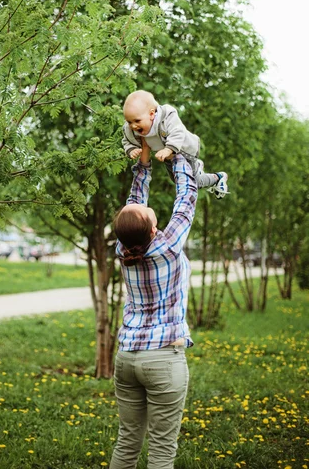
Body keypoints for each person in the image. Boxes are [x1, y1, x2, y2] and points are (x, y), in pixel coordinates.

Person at [109, 139, 196, 469]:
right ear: (152, 227)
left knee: (128, 439)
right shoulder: (168, 245)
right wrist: (178, 159)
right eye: (146, 212)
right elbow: (186, 200)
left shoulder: (122, 247)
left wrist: (143, 165)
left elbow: (133, 206)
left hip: (127, 357)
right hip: (163, 359)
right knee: (162, 447)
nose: (144, 207)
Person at [122, 89, 228, 198]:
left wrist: (168, 149)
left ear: (152, 114)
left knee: (194, 182)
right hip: (168, 156)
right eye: (129, 122)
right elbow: (126, 140)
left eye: (137, 121)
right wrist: (131, 149)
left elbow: (177, 132)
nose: (133, 126)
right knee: (175, 180)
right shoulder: (130, 129)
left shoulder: (167, 117)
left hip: (184, 151)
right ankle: (198, 167)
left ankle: (218, 177)